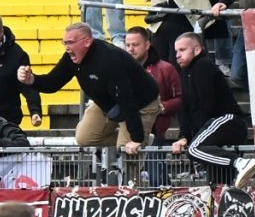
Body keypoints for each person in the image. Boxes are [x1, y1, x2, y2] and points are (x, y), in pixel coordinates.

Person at [19, 21, 162, 154]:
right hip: (110, 100)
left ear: (87, 41)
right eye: (64, 43)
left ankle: (140, 138)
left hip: (140, 102)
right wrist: (32, 80)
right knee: (85, 138)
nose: (67, 47)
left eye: (71, 42)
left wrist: (136, 138)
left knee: (128, 152)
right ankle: (143, 138)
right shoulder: (71, 58)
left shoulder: (108, 60)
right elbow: (53, 82)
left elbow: (127, 99)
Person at [168, 32, 247, 184]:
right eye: (176, 51)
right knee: (217, 183)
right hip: (213, 127)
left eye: (182, 50)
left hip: (227, 121)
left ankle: (240, 162)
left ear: (197, 50)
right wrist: (184, 135)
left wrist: (195, 136)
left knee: (194, 149)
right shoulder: (185, 72)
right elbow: (184, 107)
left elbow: (206, 104)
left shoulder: (203, 66)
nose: (177, 55)